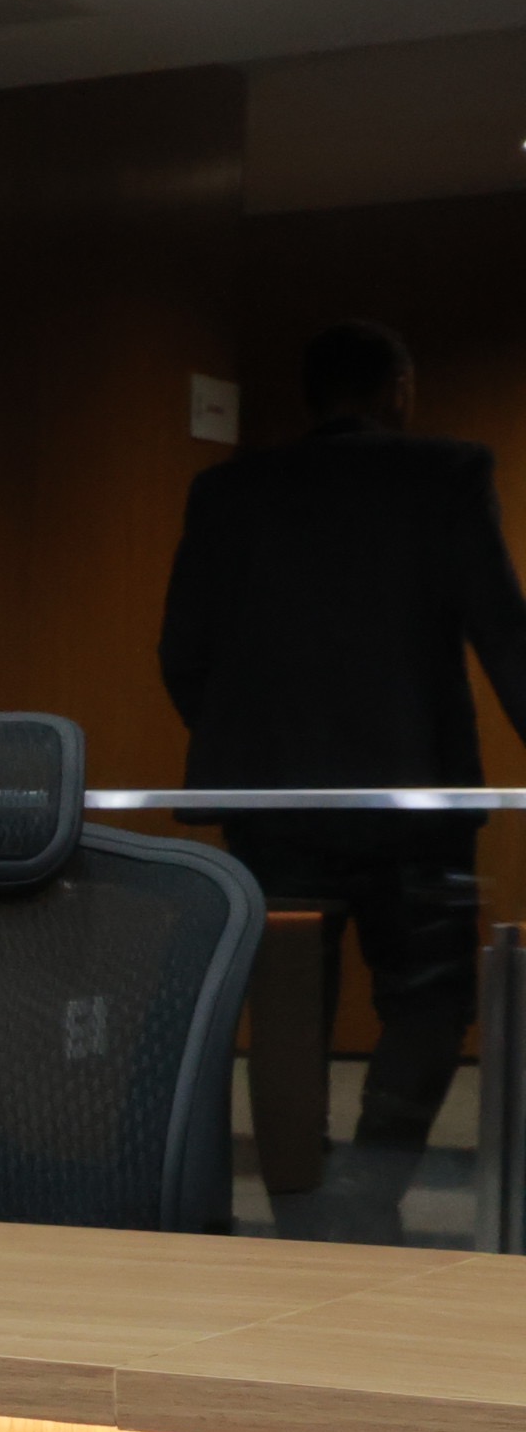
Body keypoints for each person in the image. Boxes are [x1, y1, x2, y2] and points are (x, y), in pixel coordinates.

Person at [161, 319, 526, 1242]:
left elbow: (183, 653)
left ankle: (296, 1200)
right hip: (417, 803)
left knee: (286, 1005)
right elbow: (505, 633)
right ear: (399, 388)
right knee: (431, 997)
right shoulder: (446, 474)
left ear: (311, 393)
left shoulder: (228, 491)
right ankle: (368, 1192)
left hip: (274, 804)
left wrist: (255, 749)